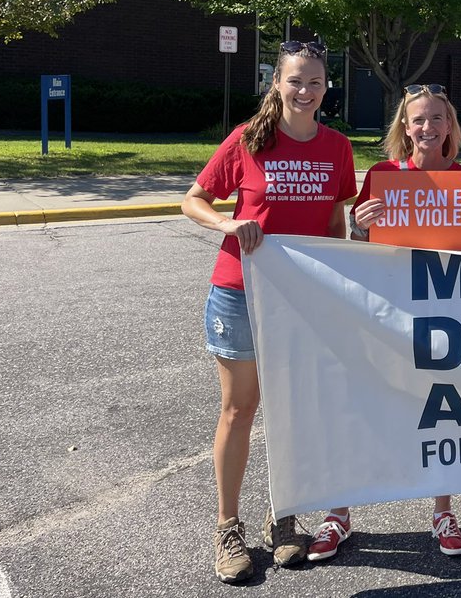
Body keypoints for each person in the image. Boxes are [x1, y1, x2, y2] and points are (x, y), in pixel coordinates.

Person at [182, 40, 357, 584]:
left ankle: (284, 516)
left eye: (315, 82)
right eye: (295, 81)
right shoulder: (247, 141)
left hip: (302, 296)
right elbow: (193, 199)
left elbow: (333, 225)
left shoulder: (337, 147)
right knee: (241, 408)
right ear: (276, 84)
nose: (305, 91)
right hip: (240, 290)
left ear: (327, 87)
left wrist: (342, 280)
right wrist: (227, 225)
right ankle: (227, 526)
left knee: (293, 408)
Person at [341, 83, 461, 557]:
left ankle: (442, 511)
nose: (428, 127)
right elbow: (359, 244)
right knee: (371, 408)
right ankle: (341, 512)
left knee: (441, 416)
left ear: (450, 125)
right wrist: (359, 224)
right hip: (388, 313)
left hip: (443, 317)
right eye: (419, 119)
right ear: (404, 127)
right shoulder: (382, 173)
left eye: (437, 118)